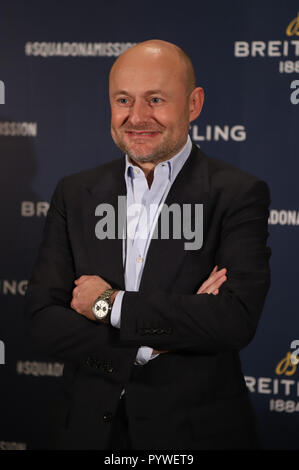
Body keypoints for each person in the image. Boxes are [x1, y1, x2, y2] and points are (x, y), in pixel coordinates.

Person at [24, 39, 271, 450]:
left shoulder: (237, 194)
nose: (137, 117)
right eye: (123, 100)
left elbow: (233, 318)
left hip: (194, 434)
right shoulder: (75, 192)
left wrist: (108, 304)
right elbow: (41, 319)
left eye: (155, 99)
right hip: (87, 430)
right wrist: (150, 342)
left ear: (194, 104)